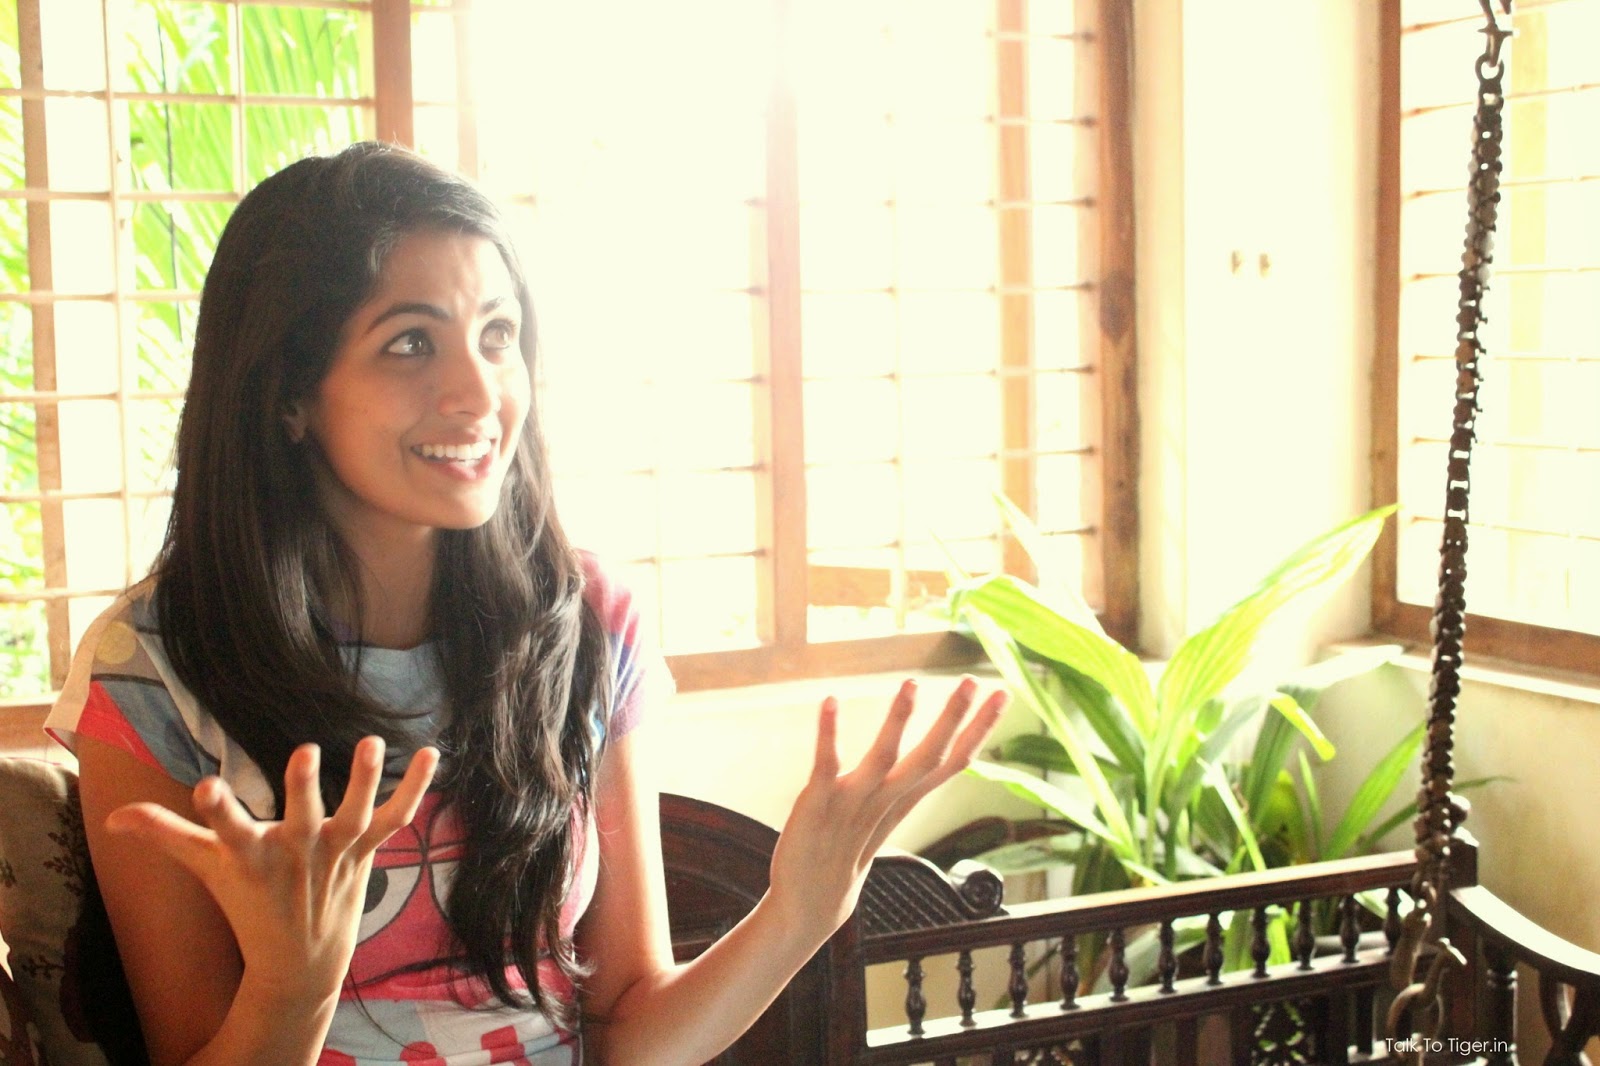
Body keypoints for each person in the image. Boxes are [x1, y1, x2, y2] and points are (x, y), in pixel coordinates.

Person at [45, 142, 1006, 1065]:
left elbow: (628, 1032)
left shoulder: (588, 621)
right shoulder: (153, 667)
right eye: (411, 343)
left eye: (498, 336)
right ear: (289, 393)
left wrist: (801, 910)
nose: (480, 392)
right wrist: (292, 987)